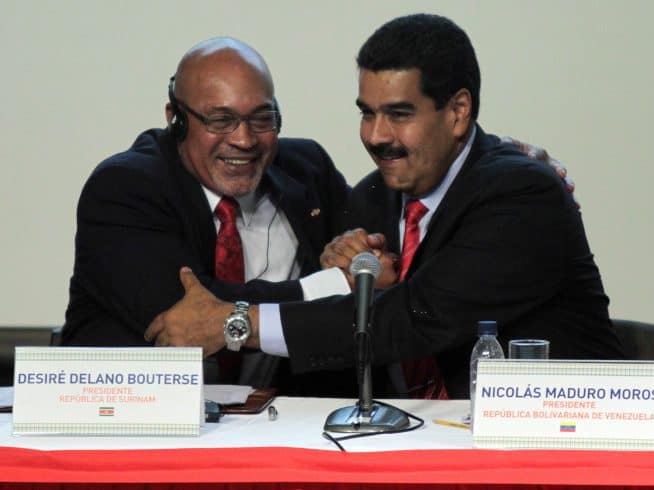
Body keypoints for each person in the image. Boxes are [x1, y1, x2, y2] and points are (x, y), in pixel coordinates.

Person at [145, 14, 624, 399]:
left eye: (399, 114)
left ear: (458, 112)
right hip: (410, 447)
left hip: (556, 445)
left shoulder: (523, 196)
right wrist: (338, 271)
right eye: (367, 113)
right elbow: (335, 321)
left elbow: (414, 318)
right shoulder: (372, 198)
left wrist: (235, 323)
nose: (376, 136)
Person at [61, 37, 353, 391]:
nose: (244, 140)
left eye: (262, 119)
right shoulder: (125, 186)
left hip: (282, 418)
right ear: (176, 121)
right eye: (221, 120)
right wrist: (331, 286)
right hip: (137, 415)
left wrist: (362, 256)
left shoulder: (307, 169)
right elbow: (196, 316)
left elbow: (371, 268)